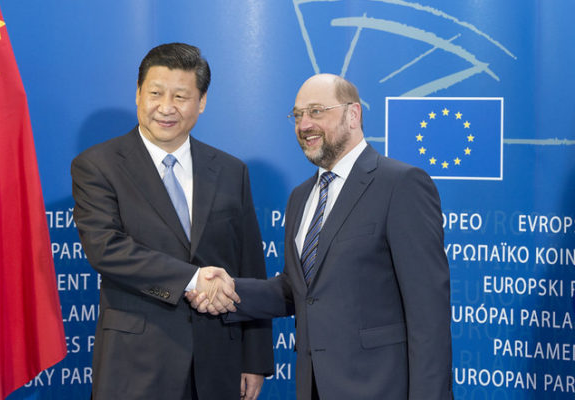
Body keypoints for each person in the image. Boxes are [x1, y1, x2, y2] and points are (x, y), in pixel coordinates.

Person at [189, 74, 453, 399]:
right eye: (298, 115)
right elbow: (298, 290)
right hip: (313, 386)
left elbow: (428, 314)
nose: (304, 125)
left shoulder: (401, 184)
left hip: (381, 388)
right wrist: (226, 290)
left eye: (316, 112)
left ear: (353, 115)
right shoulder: (301, 197)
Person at [71, 42, 273, 400]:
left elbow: (250, 268)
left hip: (218, 363)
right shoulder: (98, 165)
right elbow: (106, 249)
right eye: (155, 93)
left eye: (180, 96)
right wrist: (193, 279)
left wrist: (254, 359)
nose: (166, 108)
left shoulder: (230, 171)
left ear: (202, 101)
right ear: (138, 94)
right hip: (136, 365)